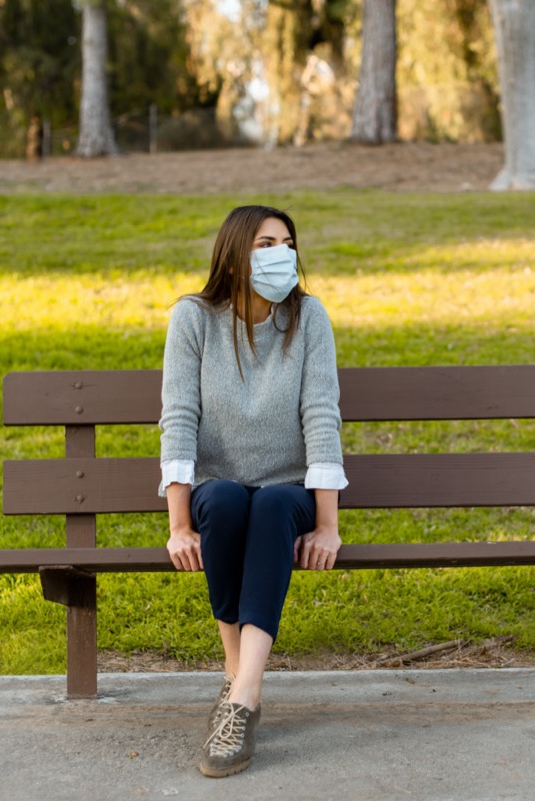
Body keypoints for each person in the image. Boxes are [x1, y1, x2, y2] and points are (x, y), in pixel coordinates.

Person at [158, 205, 347, 778]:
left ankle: (240, 699)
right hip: (218, 486)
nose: (280, 254)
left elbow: (321, 415)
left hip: (287, 489)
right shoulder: (193, 319)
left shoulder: (309, 317)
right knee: (224, 502)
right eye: (265, 243)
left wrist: (327, 524)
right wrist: (178, 524)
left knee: (266, 504)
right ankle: (242, 684)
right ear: (236, 255)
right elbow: (180, 416)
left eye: (287, 243)